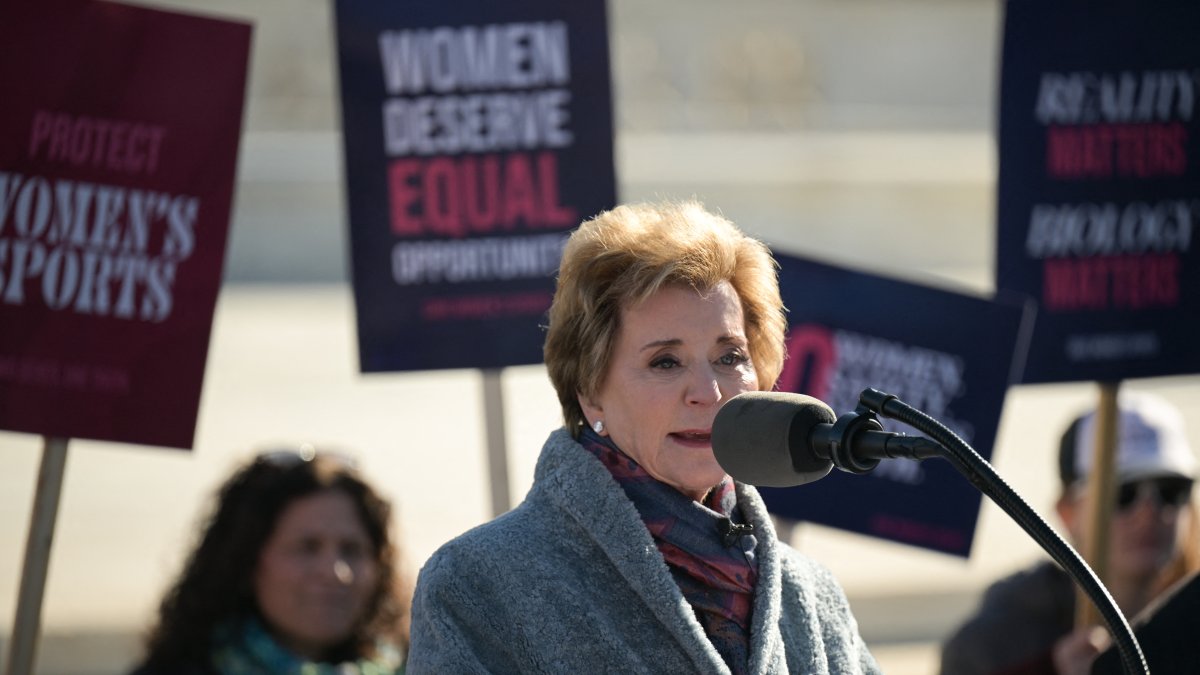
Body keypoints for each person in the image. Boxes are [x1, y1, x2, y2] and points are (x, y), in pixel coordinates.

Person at [406, 200, 880, 674]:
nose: (708, 392)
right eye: (665, 362)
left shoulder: (811, 594)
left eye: (730, 356)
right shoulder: (475, 584)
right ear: (590, 390)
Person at [939, 391, 1199, 675]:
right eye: (1122, 493)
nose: (1149, 512)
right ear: (1067, 512)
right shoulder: (997, 643)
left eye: (1171, 490)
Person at [129, 445, 411, 675]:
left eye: (351, 549)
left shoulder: (423, 666)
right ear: (245, 562)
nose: (335, 572)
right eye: (307, 547)